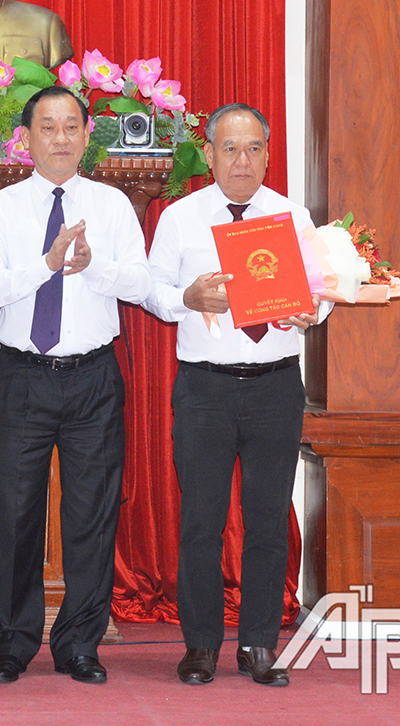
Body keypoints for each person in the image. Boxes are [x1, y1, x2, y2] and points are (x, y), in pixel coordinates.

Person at [141, 103, 329, 688]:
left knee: (268, 521)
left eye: (252, 148)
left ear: (268, 154)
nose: (241, 160)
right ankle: (200, 647)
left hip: (275, 385)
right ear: (210, 153)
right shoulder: (180, 217)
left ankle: (258, 646)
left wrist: (309, 313)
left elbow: (318, 295)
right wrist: (187, 300)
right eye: (229, 148)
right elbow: (152, 291)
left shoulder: (292, 217)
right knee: (202, 520)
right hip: (205, 388)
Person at [0, 86, 150, 684]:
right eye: (47, 127)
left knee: (91, 515)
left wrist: (91, 265)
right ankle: (12, 641)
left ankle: (79, 643)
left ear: (86, 135)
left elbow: (140, 283)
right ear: (26, 138)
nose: (59, 138)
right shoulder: (0, 208)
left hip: (93, 376)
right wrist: (46, 266)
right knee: (13, 511)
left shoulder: (113, 205)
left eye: (70, 126)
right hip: (23, 375)